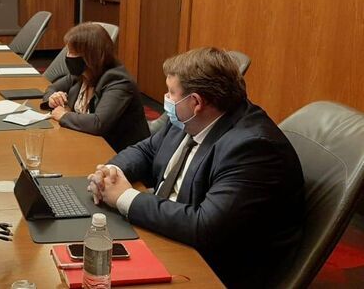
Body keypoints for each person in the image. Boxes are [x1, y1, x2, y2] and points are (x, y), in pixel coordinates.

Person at [87, 47, 304, 287]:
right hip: (169, 232)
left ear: (196, 102)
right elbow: (147, 150)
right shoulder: (190, 118)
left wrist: (125, 197)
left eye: (171, 93)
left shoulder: (253, 148)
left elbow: (204, 227)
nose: (166, 99)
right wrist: (111, 172)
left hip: (212, 266)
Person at [41, 22, 149, 151]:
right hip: (86, 142)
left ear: (91, 56)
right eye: (68, 51)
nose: (68, 57)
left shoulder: (118, 81)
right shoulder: (81, 74)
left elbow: (98, 123)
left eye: (73, 53)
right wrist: (52, 99)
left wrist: (64, 115)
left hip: (117, 152)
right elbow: (51, 88)